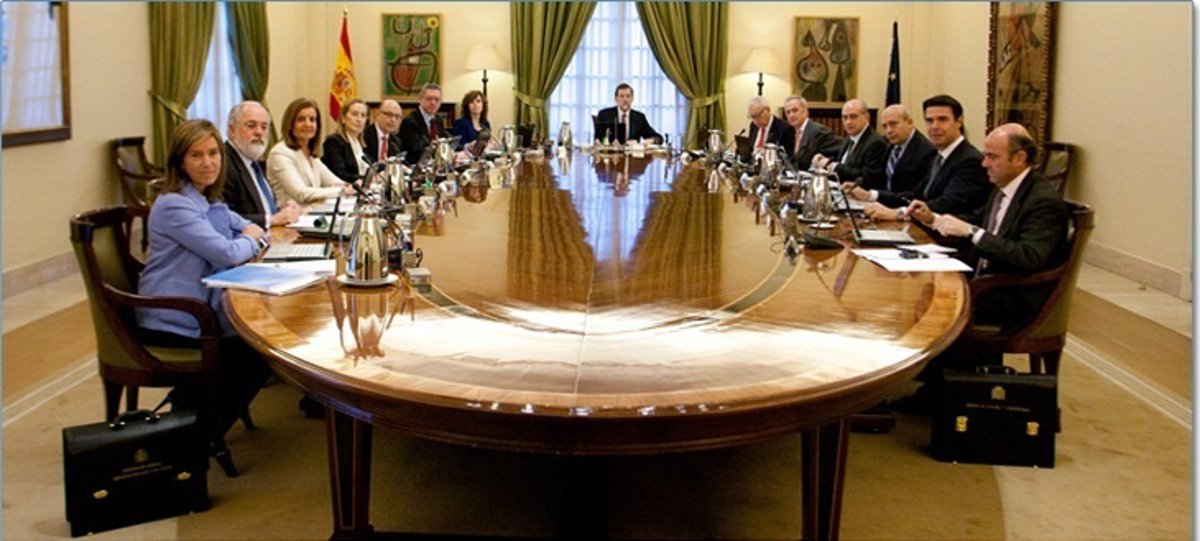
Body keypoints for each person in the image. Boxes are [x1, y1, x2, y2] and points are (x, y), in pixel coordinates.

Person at [136, 118, 272, 437]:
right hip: (173, 317)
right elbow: (227, 252)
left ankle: (195, 427)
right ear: (180, 161)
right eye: (196, 155)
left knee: (256, 348)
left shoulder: (209, 198)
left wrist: (251, 235)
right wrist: (253, 240)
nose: (208, 162)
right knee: (255, 354)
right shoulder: (175, 205)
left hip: (200, 308)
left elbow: (245, 225)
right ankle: (195, 439)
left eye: (213, 153)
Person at [920, 123, 1070, 333]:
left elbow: (1029, 257)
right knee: (920, 287)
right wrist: (934, 219)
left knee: (927, 310)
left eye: (992, 157)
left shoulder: (1043, 201)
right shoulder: (1003, 187)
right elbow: (978, 220)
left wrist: (972, 232)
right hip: (986, 281)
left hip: (1013, 297)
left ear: (1019, 158)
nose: (984, 163)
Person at [855, 95, 990, 224]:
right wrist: (872, 196)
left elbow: (948, 204)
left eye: (942, 119)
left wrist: (899, 213)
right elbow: (916, 195)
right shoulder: (940, 156)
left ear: (959, 121)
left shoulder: (970, 160)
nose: (934, 126)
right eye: (929, 121)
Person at [221, 101, 302, 228]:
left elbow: (261, 207)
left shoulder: (252, 161)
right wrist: (270, 219)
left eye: (264, 127)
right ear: (231, 130)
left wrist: (283, 209)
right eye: (251, 125)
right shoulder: (223, 163)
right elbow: (224, 217)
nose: (259, 132)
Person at [266, 97, 355, 206]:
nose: (308, 124)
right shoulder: (280, 153)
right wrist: (341, 191)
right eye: (301, 119)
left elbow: (333, 182)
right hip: (291, 214)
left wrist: (351, 187)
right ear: (290, 124)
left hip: (313, 211)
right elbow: (300, 193)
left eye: (312, 120)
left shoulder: (311, 154)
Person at [841, 104, 937, 201]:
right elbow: (878, 177)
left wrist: (872, 195)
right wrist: (857, 185)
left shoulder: (926, 151)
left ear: (909, 123)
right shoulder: (888, 143)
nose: (889, 130)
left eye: (893, 124)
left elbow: (914, 195)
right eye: (885, 126)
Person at [812, 98, 887, 187]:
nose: (848, 122)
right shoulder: (849, 139)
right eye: (845, 117)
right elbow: (844, 163)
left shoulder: (875, 143)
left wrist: (833, 166)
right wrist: (824, 161)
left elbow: (867, 177)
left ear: (866, 117)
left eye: (853, 117)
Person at [778, 95, 842, 171]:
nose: (791, 115)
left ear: (805, 111)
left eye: (795, 110)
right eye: (788, 112)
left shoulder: (818, 131)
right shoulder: (790, 132)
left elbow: (842, 149)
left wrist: (826, 162)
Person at [398, 83, 449, 164]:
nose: (433, 102)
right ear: (420, 99)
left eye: (437, 99)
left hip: (434, 164)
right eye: (429, 99)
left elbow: (445, 138)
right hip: (415, 165)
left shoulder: (438, 119)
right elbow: (418, 150)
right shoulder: (410, 121)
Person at [595, 83, 662, 144]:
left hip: (632, 153)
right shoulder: (604, 115)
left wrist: (652, 140)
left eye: (628, 96)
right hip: (612, 152)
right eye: (622, 96)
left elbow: (658, 137)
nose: (625, 99)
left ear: (632, 98)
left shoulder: (639, 117)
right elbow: (598, 139)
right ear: (616, 99)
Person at [322, 98, 370, 182]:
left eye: (363, 115)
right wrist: (367, 178)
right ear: (343, 118)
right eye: (354, 114)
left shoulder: (361, 144)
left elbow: (372, 166)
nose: (359, 119)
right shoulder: (333, 142)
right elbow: (341, 174)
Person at [740, 95, 788, 162]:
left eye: (758, 115)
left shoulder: (783, 128)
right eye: (752, 117)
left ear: (767, 110)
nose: (755, 121)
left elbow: (785, 157)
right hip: (753, 165)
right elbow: (750, 149)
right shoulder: (753, 126)